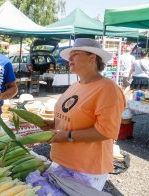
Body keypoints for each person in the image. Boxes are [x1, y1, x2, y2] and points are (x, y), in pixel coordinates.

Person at [40, 38, 125, 191]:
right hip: (61, 161)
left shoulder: (108, 89)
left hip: (86, 169)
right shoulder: (75, 85)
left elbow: (106, 131)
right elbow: (71, 117)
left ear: (92, 58)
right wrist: (53, 123)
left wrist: (67, 136)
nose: (69, 59)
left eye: (75, 54)